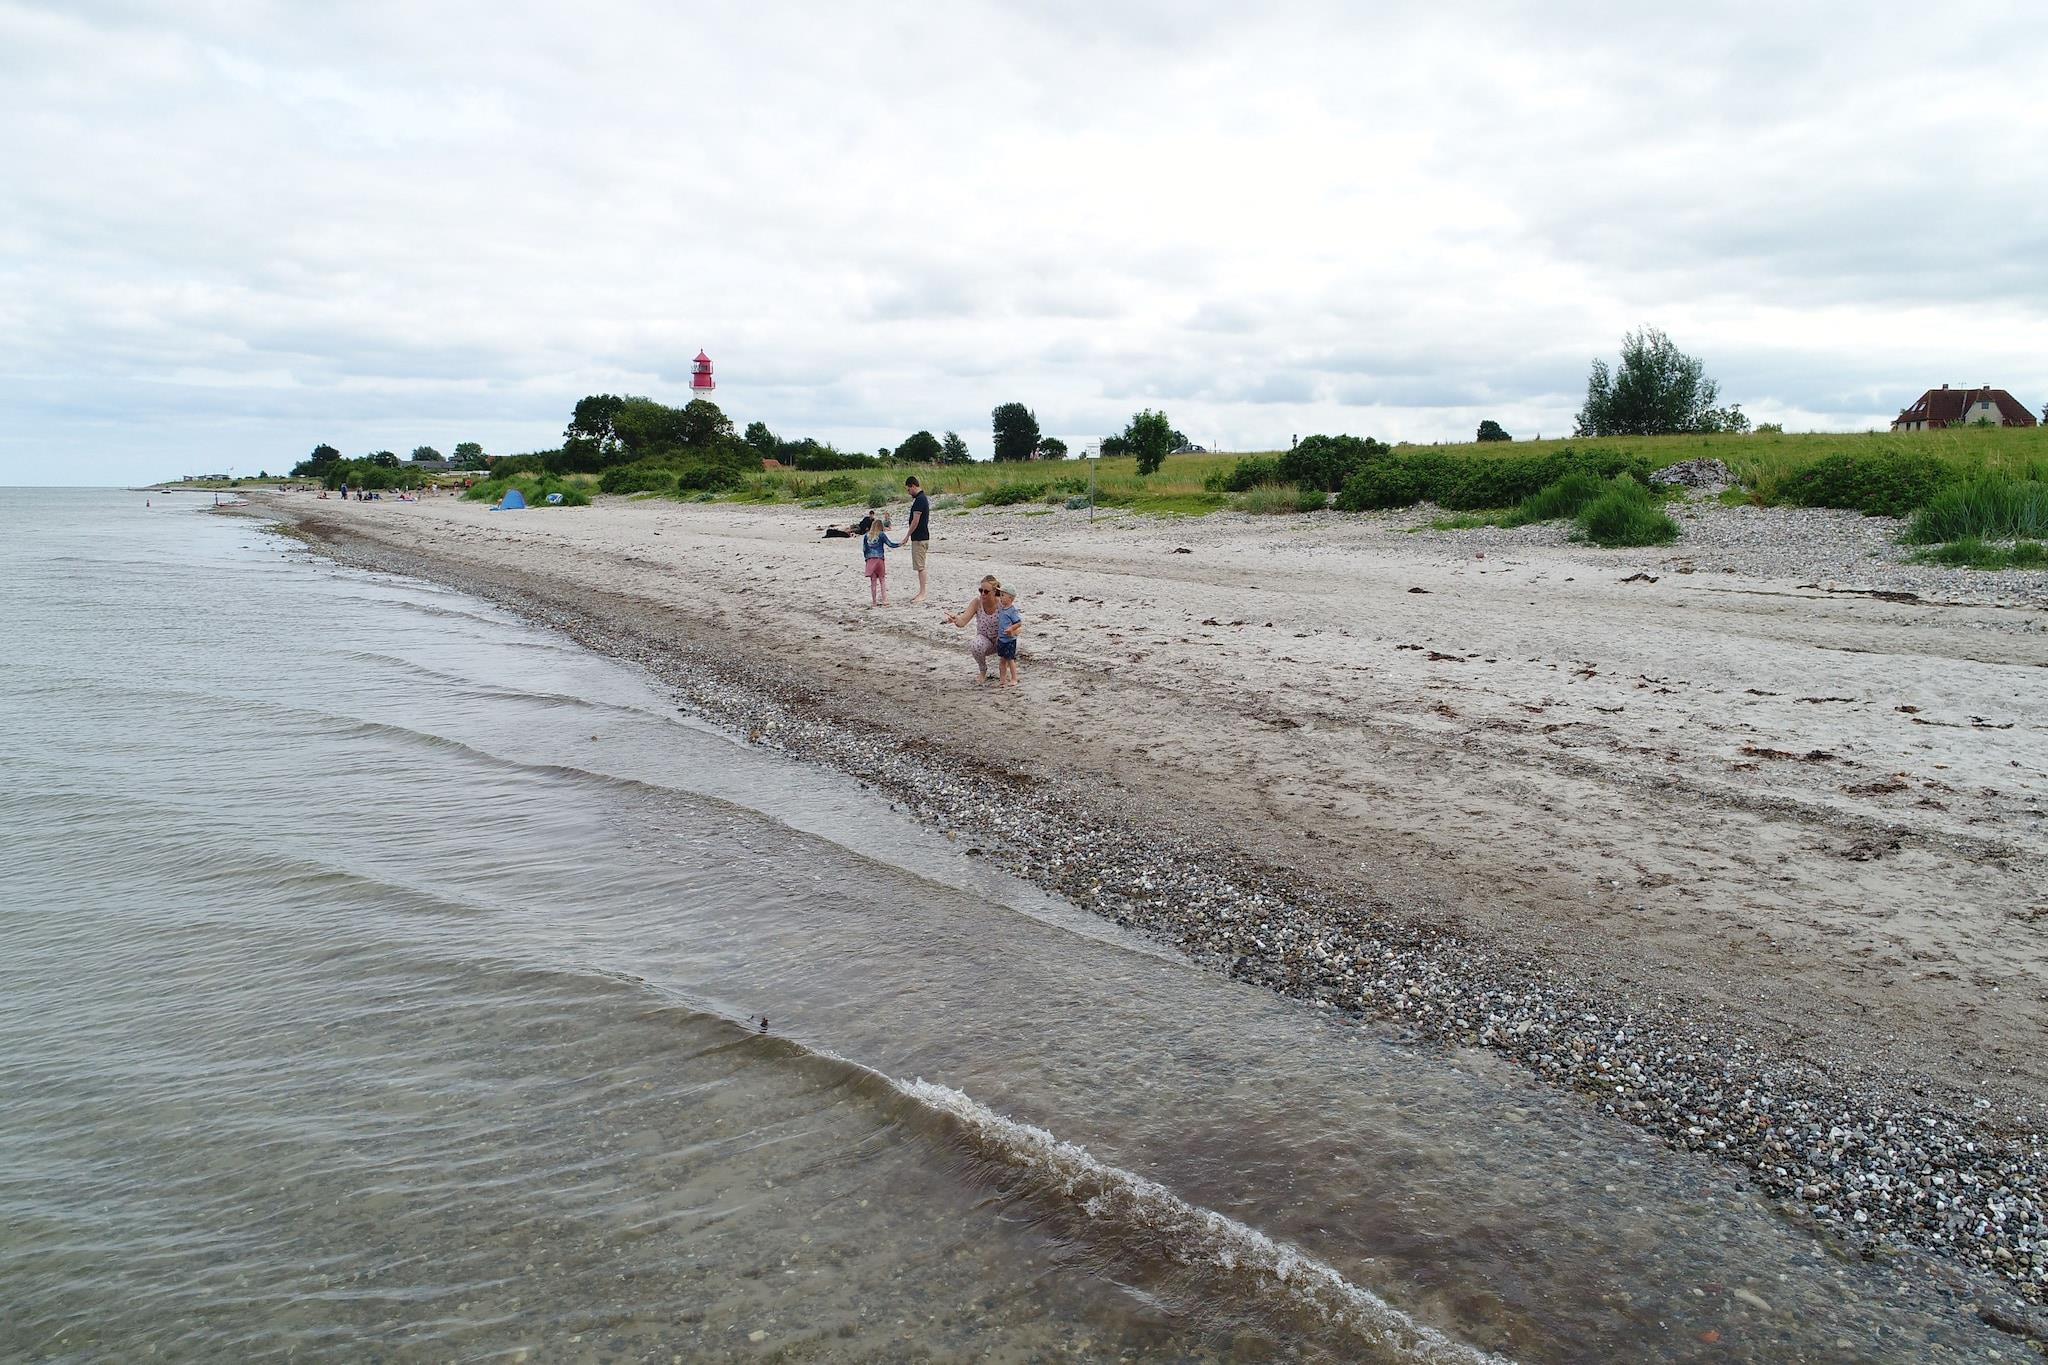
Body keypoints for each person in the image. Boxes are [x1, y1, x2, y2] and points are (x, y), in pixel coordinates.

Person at [945, 575, 1004, 682]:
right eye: (981, 590)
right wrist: (956, 619)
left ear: (994, 591)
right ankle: (983, 671)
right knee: (975, 644)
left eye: (986, 591)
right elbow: (963, 621)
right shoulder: (977, 602)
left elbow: (1016, 622)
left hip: (1000, 638)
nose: (982, 594)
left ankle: (1005, 670)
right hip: (985, 640)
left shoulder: (1002, 603)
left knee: (1011, 641)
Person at [860, 513, 902, 606]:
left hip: (870, 559)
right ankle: (884, 600)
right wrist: (900, 544)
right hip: (879, 559)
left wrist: (867, 560)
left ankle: (874, 602)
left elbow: (864, 549)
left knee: (873, 581)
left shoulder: (866, 536)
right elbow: (890, 544)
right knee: (882, 580)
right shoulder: (881, 535)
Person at [903, 476, 932, 603]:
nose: (908, 492)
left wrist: (907, 536)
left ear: (913, 486)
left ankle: (923, 593)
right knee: (920, 566)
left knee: (920, 567)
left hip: (920, 538)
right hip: (921, 537)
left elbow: (915, 521)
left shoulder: (920, 499)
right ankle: (921, 592)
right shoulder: (921, 498)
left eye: (908, 489)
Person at [994, 587, 1023, 688]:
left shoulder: (1012, 610)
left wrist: (1011, 629)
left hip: (1010, 640)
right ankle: (1002, 679)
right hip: (1001, 639)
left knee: (1010, 660)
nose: (1000, 597)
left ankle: (1014, 678)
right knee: (1002, 660)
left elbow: (1019, 623)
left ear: (1010, 598)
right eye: (1000, 595)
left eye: (1003, 595)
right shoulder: (1002, 609)